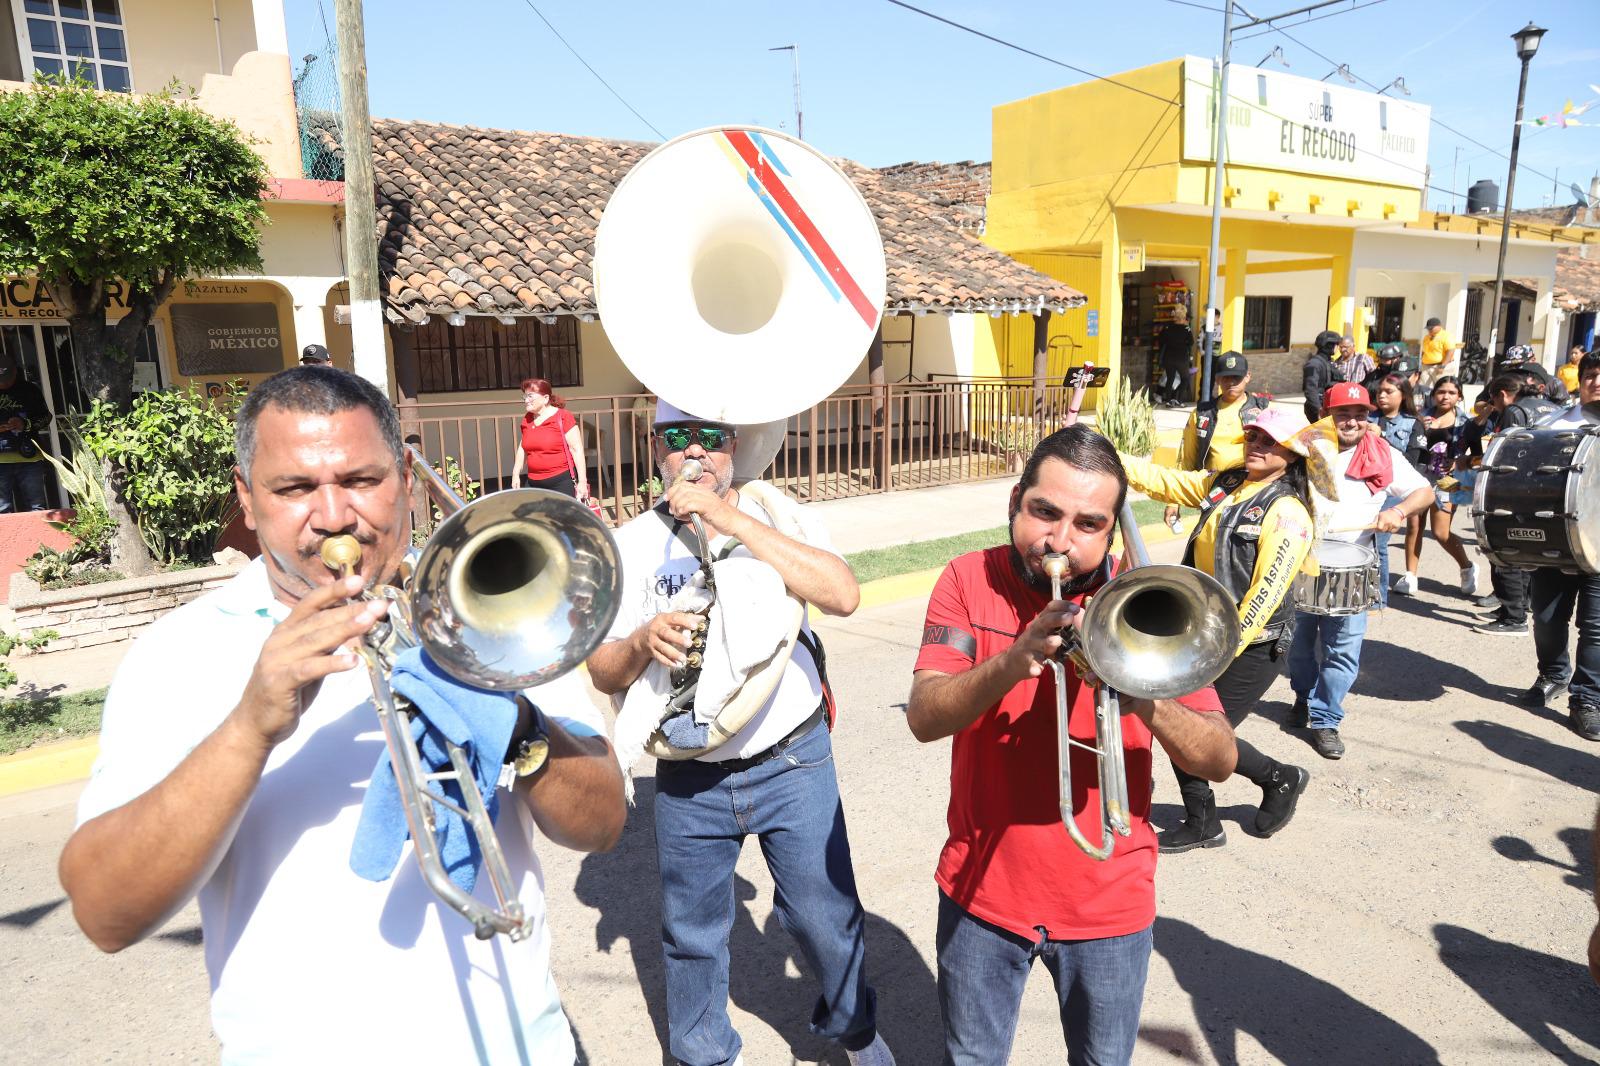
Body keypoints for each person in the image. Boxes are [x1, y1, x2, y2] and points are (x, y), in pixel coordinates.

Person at [57, 366, 627, 1063]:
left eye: (361, 480)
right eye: (294, 488)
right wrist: (251, 726)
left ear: (407, 481)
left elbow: (603, 826)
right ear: (247, 497)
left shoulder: (492, 604)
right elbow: (106, 914)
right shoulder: (180, 651)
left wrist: (518, 726)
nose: (333, 517)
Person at [905, 425, 1236, 1065]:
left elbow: (1218, 760)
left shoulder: (1148, 599)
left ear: (1111, 532)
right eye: (1044, 513)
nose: (1059, 542)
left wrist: (1142, 690)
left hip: (1111, 904)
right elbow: (924, 715)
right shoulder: (967, 578)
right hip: (982, 897)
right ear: (1014, 503)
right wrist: (1013, 660)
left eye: (1087, 524)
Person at [586, 401, 893, 1066]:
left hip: (793, 759)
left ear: (735, 447)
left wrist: (728, 519)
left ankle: (857, 1034)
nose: (693, 454)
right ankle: (704, 1054)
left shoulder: (774, 513)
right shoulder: (631, 543)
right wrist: (640, 641)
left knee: (824, 917)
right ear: (655, 451)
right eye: (676, 438)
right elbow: (603, 671)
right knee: (690, 934)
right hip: (689, 775)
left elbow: (841, 594)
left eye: (709, 439)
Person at [1120, 407, 1317, 853]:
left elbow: (1264, 596)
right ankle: (1208, 818)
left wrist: (1219, 651)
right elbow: (1167, 482)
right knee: (1180, 725)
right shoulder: (1226, 483)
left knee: (1193, 729)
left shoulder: (1288, 512)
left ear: (1291, 454)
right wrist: (1111, 457)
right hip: (1205, 635)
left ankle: (1277, 779)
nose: (1256, 445)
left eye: (1268, 441)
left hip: (1252, 644)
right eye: (1252, 436)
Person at [1289, 383, 1432, 759]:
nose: (1351, 421)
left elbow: (1425, 492)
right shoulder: (1304, 447)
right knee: (1297, 646)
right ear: (1327, 413)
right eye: (1343, 414)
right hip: (1303, 561)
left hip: (1354, 566)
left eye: (1359, 414)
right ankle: (1303, 696)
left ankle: (1325, 719)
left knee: (1343, 650)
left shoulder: (1383, 453)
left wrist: (1397, 511)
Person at [1521, 351, 1600, 741]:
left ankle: (1586, 700)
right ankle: (1553, 674)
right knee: (1548, 618)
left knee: (1597, 628)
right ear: (1579, 379)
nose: (1597, 382)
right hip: (1555, 539)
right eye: (1591, 375)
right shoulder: (1553, 422)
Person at [1474, 372, 1561, 636]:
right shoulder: (1554, 407)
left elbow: (1512, 449)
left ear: (1501, 394)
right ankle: (1516, 608)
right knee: (1528, 548)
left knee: (1506, 549)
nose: (1494, 407)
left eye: (1493, 400)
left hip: (1517, 486)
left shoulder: (1514, 410)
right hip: (1549, 486)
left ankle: (1513, 617)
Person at [1163, 350, 1272, 530]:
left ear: (1248, 377)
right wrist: (1174, 502)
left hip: (1254, 493)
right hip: (1215, 494)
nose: (1230, 383)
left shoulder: (1264, 411)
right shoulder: (1201, 414)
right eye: (1225, 377)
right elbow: (1186, 460)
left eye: (1236, 378)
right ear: (1217, 379)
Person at [1392, 376, 1478, 600]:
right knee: (1414, 526)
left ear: (1459, 396)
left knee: (1440, 533)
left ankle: (1467, 567)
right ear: (1434, 394)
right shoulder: (1420, 417)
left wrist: (1460, 461)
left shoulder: (1466, 423)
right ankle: (1410, 576)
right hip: (1419, 476)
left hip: (1446, 480)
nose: (1445, 396)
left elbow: (1477, 457)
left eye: (1451, 392)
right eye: (1441, 391)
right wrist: (1420, 428)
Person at [1367, 373, 1424, 603]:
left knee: (1379, 541)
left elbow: (1411, 460)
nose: (1382, 396)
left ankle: (1378, 596)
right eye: (1380, 391)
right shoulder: (1369, 418)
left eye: (1389, 392)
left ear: (1403, 395)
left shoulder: (1413, 423)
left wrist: (1383, 439)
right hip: (1368, 488)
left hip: (1393, 490)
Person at [513, 377, 588, 499]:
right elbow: (523, 448)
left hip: (561, 483)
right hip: (533, 483)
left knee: (560, 518)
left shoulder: (563, 417)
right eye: (525, 397)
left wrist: (582, 482)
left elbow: (576, 450)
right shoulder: (527, 419)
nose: (526, 400)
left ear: (545, 398)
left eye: (530, 396)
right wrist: (515, 473)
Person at [0, 351, 51, 513]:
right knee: (2, 509)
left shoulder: (29, 390)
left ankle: (40, 538)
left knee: (37, 506)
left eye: (7, 379)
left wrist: (25, 424)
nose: (4, 384)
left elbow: (46, 416)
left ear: (15, 371)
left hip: (29, 457)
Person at [1302, 330, 1344, 423]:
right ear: (1329, 345)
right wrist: (1319, 410)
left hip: (1329, 406)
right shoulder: (1314, 364)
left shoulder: (1328, 362)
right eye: (1336, 345)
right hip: (1319, 408)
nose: (1338, 348)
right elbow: (1310, 390)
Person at [1156, 304, 1193, 407]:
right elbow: (1191, 342)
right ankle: (1179, 400)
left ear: (1175, 317)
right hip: (1181, 358)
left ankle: (1168, 400)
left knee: (1170, 378)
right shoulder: (1186, 329)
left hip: (1169, 357)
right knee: (1185, 379)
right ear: (1183, 317)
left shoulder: (1167, 328)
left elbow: (1161, 339)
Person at [1420, 317, 1461, 388]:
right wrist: (1422, 362)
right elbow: (1424, 351)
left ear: (1439, 326)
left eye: (1431, 328)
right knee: (1424, 388)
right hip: (1427, 367)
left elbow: (1450, 351)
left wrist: (1443, 366)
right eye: (1428, 328)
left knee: (1441, 387)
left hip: (1440, 367)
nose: (1429, 330)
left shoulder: (1446, 336)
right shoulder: (1426, 337)